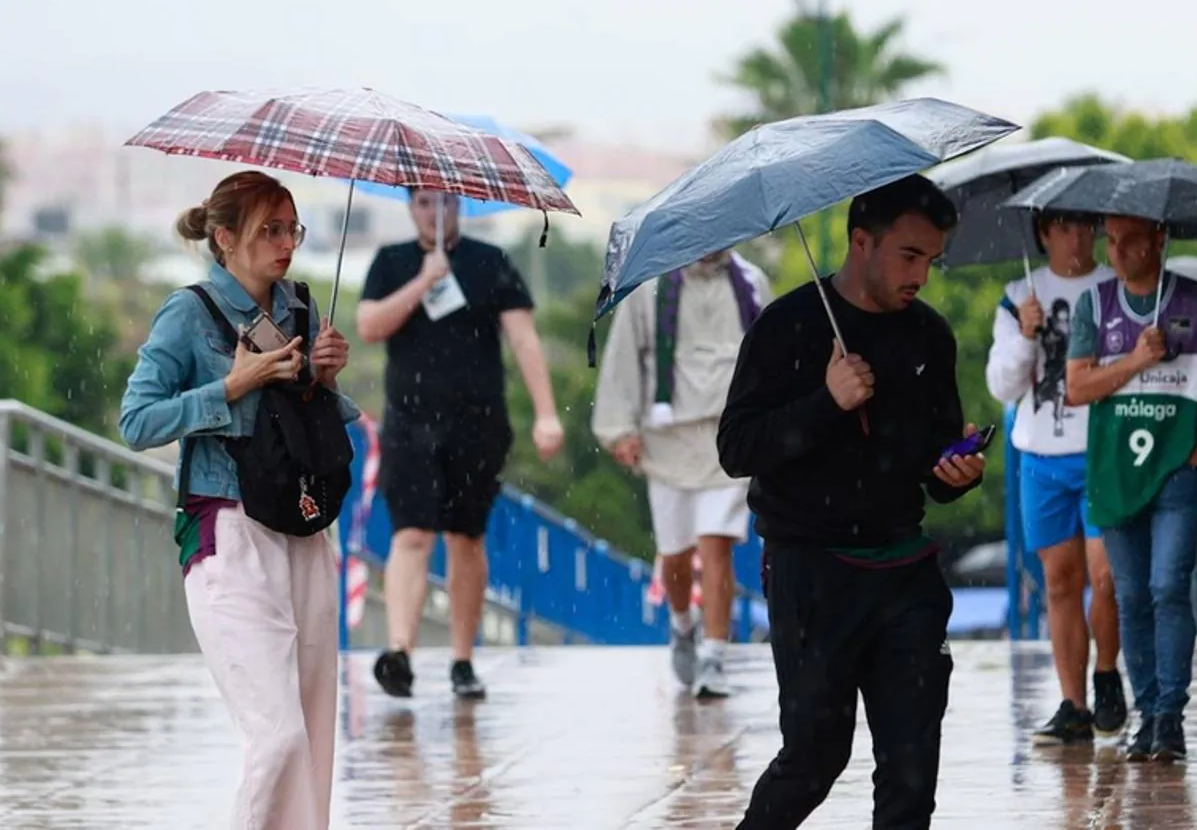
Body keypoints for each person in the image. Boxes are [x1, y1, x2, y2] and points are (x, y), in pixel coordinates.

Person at [719, 174, 986, 829]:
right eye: (909, 256)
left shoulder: (931, 335)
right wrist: (825, 402)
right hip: (811, 571)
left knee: (912, 768)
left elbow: (935, 452)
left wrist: (956, 472)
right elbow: (737, 447)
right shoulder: (787, 326)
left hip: (906, 572)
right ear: (861, 242)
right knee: (814, 756)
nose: (922, 274)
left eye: (932, 258)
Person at [119, 170, 359, 830]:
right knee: (276, 734)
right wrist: (230, 386)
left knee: (312, 730)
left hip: (304, 526)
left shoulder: (300, 307)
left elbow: (308, 420)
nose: (285, 244)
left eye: (291, 229)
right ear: (224, 238)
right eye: (269, 230)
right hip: (224, 525)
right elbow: (136, 421)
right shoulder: (188, 312)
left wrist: (322, 375)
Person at [356, 190, 564, 701]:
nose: (435, 212)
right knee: (412, 534)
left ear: (460, 207)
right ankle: (400, 651)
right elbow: (369, 326)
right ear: (411, 207)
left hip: (477, 423)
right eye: (425, 202)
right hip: (409, 423)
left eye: (445, 202)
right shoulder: (392, 261)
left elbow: (523, 339)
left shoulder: (489, 261)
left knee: (464, 537)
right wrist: (424, 281)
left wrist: (546, 413)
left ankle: (462, 659)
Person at [591, 248, 773, 697]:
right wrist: (619, 429)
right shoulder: (651, 286)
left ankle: (714, 653)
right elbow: (623, 358)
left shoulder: (751, 283)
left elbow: (770, 356)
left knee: (717, 546)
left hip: (725, 439)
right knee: (674, 554)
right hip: (667, 439)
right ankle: (682, 624)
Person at [984, 211, 1126, 745]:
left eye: (1085, 225)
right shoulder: (1019, 293)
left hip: (1102, 450)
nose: (1077, 236)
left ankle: (1107, 670)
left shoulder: (1114, 287)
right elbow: (1002, 385)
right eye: (1064, 226)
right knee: (1060, 582)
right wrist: (1024, 333)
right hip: (1041, 453)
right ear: (1043, 234)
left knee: (1106, 575)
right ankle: (1073, 704)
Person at [1065, 213, 1197, 763]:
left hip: (1177, 467)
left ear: (1161, 239)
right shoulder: (1093, 305)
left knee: (1169, 586)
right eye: (1111, 241)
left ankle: (1170, 713)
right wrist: (1137, 359)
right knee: (1130, 595)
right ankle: (1146, 712)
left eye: (1131, 241)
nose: (1117, 252)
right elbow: (1076, 386)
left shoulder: (1192, 300)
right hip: (1115, 470)